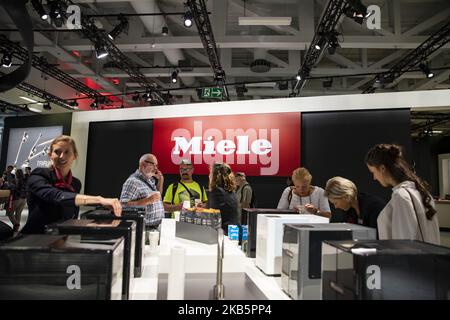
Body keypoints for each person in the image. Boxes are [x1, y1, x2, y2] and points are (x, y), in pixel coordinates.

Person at [21, 135, 122, 234]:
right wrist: (99, 200)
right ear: (50, 155)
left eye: (67, 152)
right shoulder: (39, 175)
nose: (62, 156)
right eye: (57, 152)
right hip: (34, 238)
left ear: (75, 155)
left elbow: (70, 217)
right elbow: (56, 196)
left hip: (60, 240)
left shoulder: (75, 183)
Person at [365, 143, 440, 244]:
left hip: (411, 258)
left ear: (382, 168)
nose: (374, 178)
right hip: (427, 257)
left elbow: (404, 241)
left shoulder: (401, 196)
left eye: (373, 172)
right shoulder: (419, 191)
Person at [120, 153, 165, 230]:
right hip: (144, 229)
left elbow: (157, 198)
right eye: (153, 165)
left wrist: (160, 180)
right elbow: (123, 206)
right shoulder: (132, 182)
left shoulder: (150, 180)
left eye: (157, 166)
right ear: (143, 164)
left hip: (155, 228)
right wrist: (148, 200)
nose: (156, 169)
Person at [208, 163, 239, 236]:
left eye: (211, 173)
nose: (209, 176)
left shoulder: (217, 191)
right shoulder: (231, 192)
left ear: (215, 176)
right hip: (233, 233)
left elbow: (212, 215)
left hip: (223, 235)